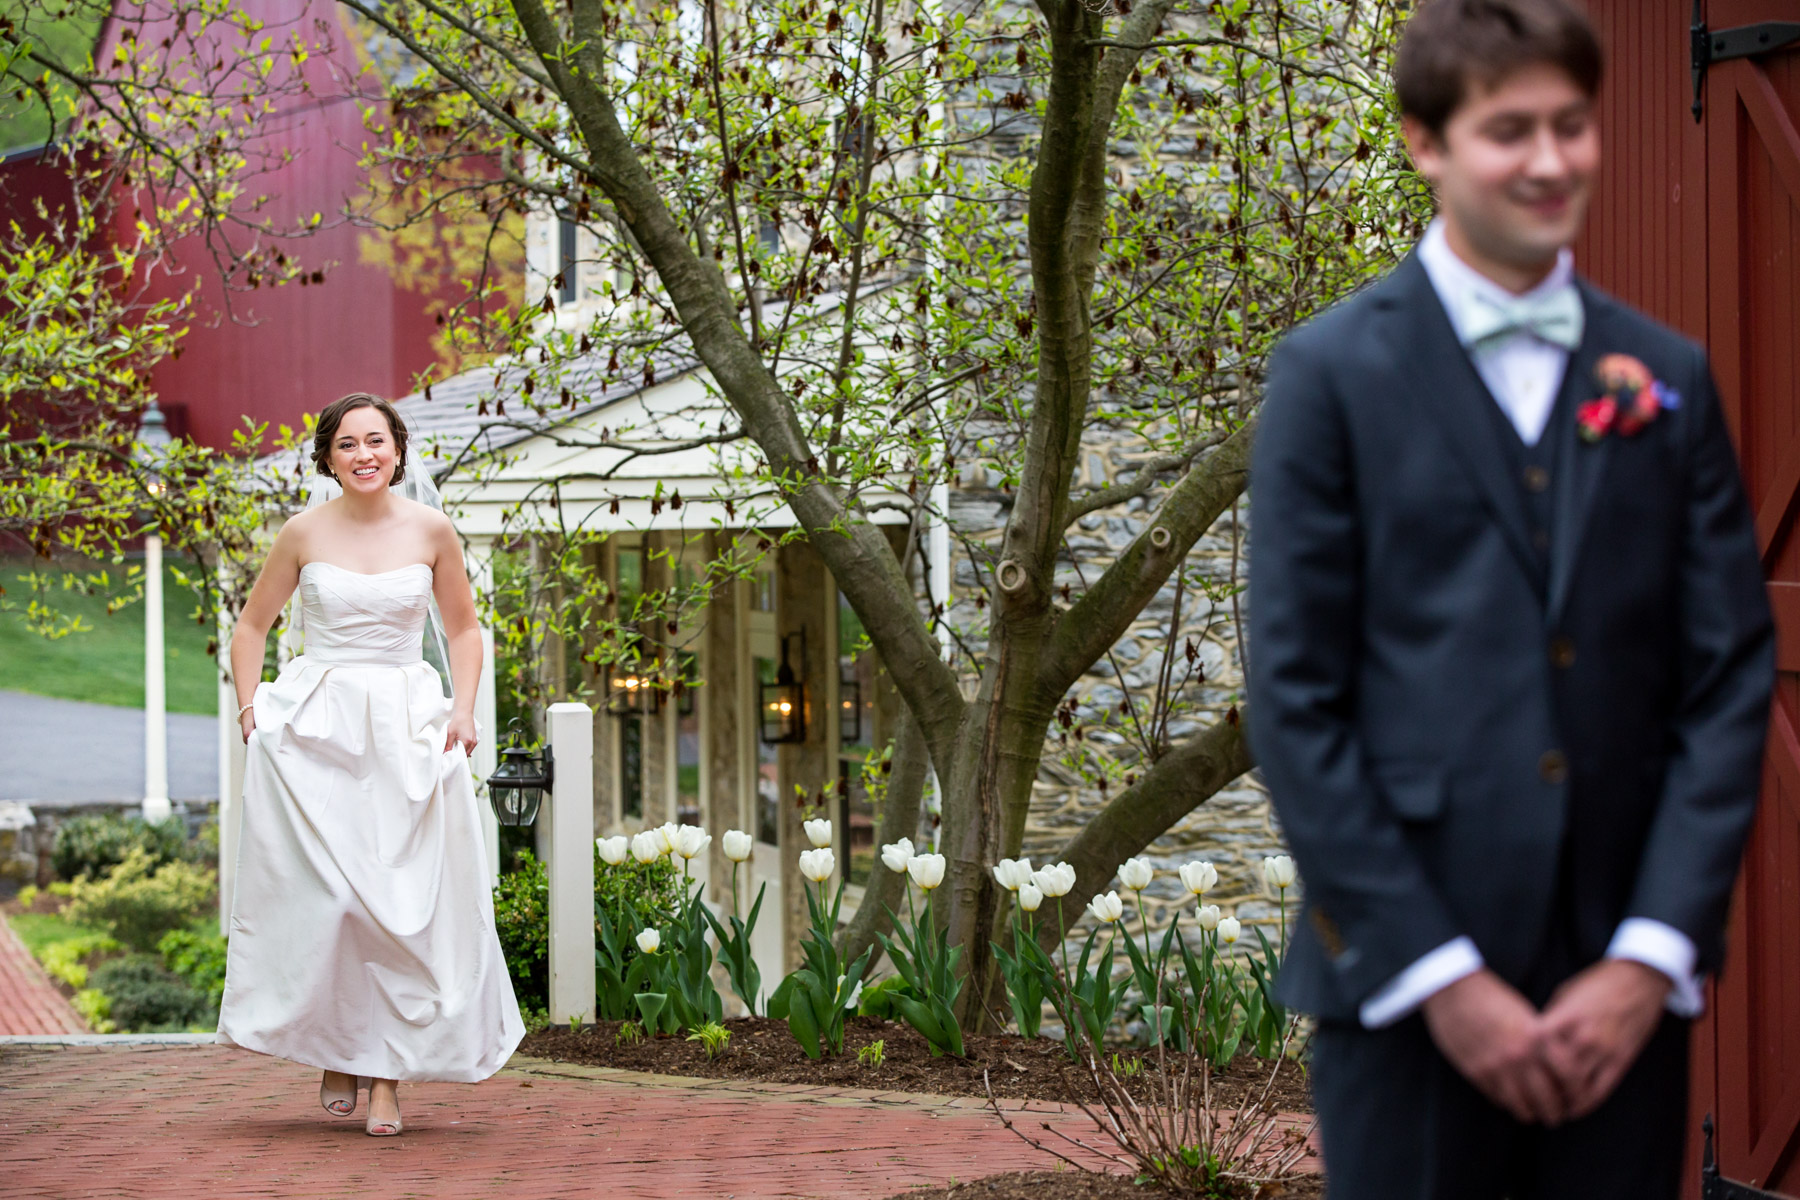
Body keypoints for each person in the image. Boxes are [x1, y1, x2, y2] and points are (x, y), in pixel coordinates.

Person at [1246, 1, 1775, 1197]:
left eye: (1574, 127)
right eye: (1511, 130)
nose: (1551, 162)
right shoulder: (1329, 376)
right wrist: (1442, 976)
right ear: (1427, 141)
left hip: (1620, 1001)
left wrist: (1648, 959)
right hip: (1404, 998)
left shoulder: (1664, 377)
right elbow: (1294, 699)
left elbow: (1728, 677)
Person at [215, 392, 525, 1136]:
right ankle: (336, 1046)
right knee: (332, 903)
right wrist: (253, 710)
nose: (364, 455)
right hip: (317, 726)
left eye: (376, 441)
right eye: (348, 444)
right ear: (328, 457)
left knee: (398, 905)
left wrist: (463, 708)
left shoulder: (432, 530)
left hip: (404, 725)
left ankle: (385, 1077)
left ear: (398, 450)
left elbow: (464, 631)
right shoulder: (301, 532)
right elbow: (252, 626)